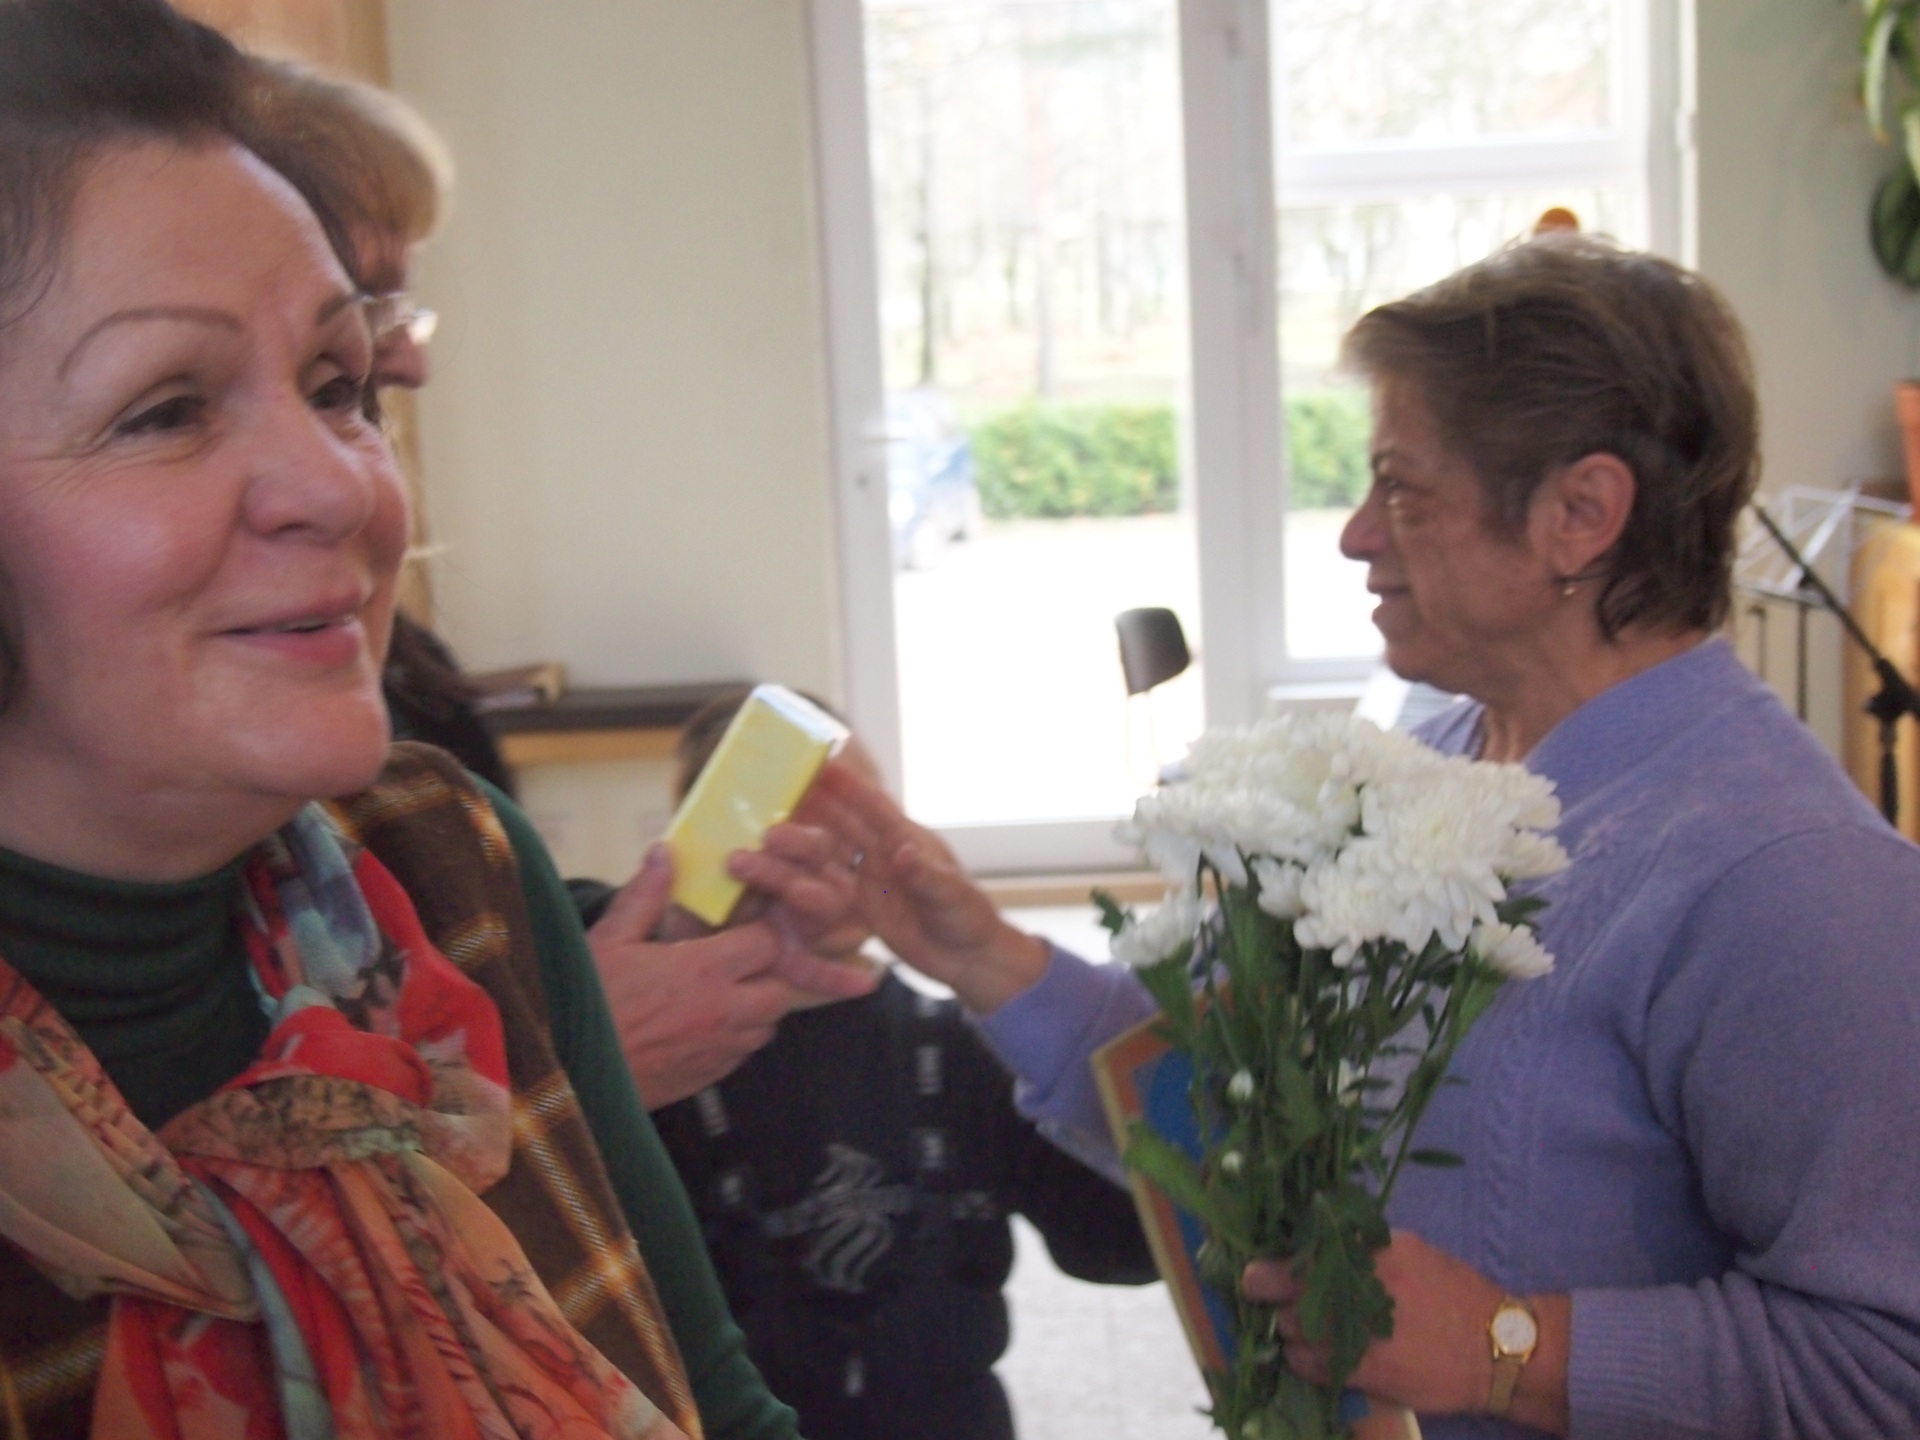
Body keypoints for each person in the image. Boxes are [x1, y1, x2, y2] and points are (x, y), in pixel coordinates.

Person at [809, 235, 1920, 1438]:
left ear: (1581, 515)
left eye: (1401, 487)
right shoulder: (1429, 762)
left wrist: (1506, 1348)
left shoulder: (1786, 879)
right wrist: (979, 953)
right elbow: (1233, 1107)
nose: (1354, 533)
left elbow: (1888, 1366)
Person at [0, 3, 850, 1435]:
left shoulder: (446, 862)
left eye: (338, 385)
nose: (346, 485)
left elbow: (709, 1401)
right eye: (165, 410)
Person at [235, 55, 876, 1112]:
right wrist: (567, 1061)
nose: (414, 361)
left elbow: (467, 931)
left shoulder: (398, 665)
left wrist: (675, 930)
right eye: (371, 301)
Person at [609, 688, 1154, 1440]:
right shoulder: (653, 1074)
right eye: (805, 822)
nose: (841, 850)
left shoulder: (955, 1049)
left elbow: (1124, 1240)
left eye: (862, 814)